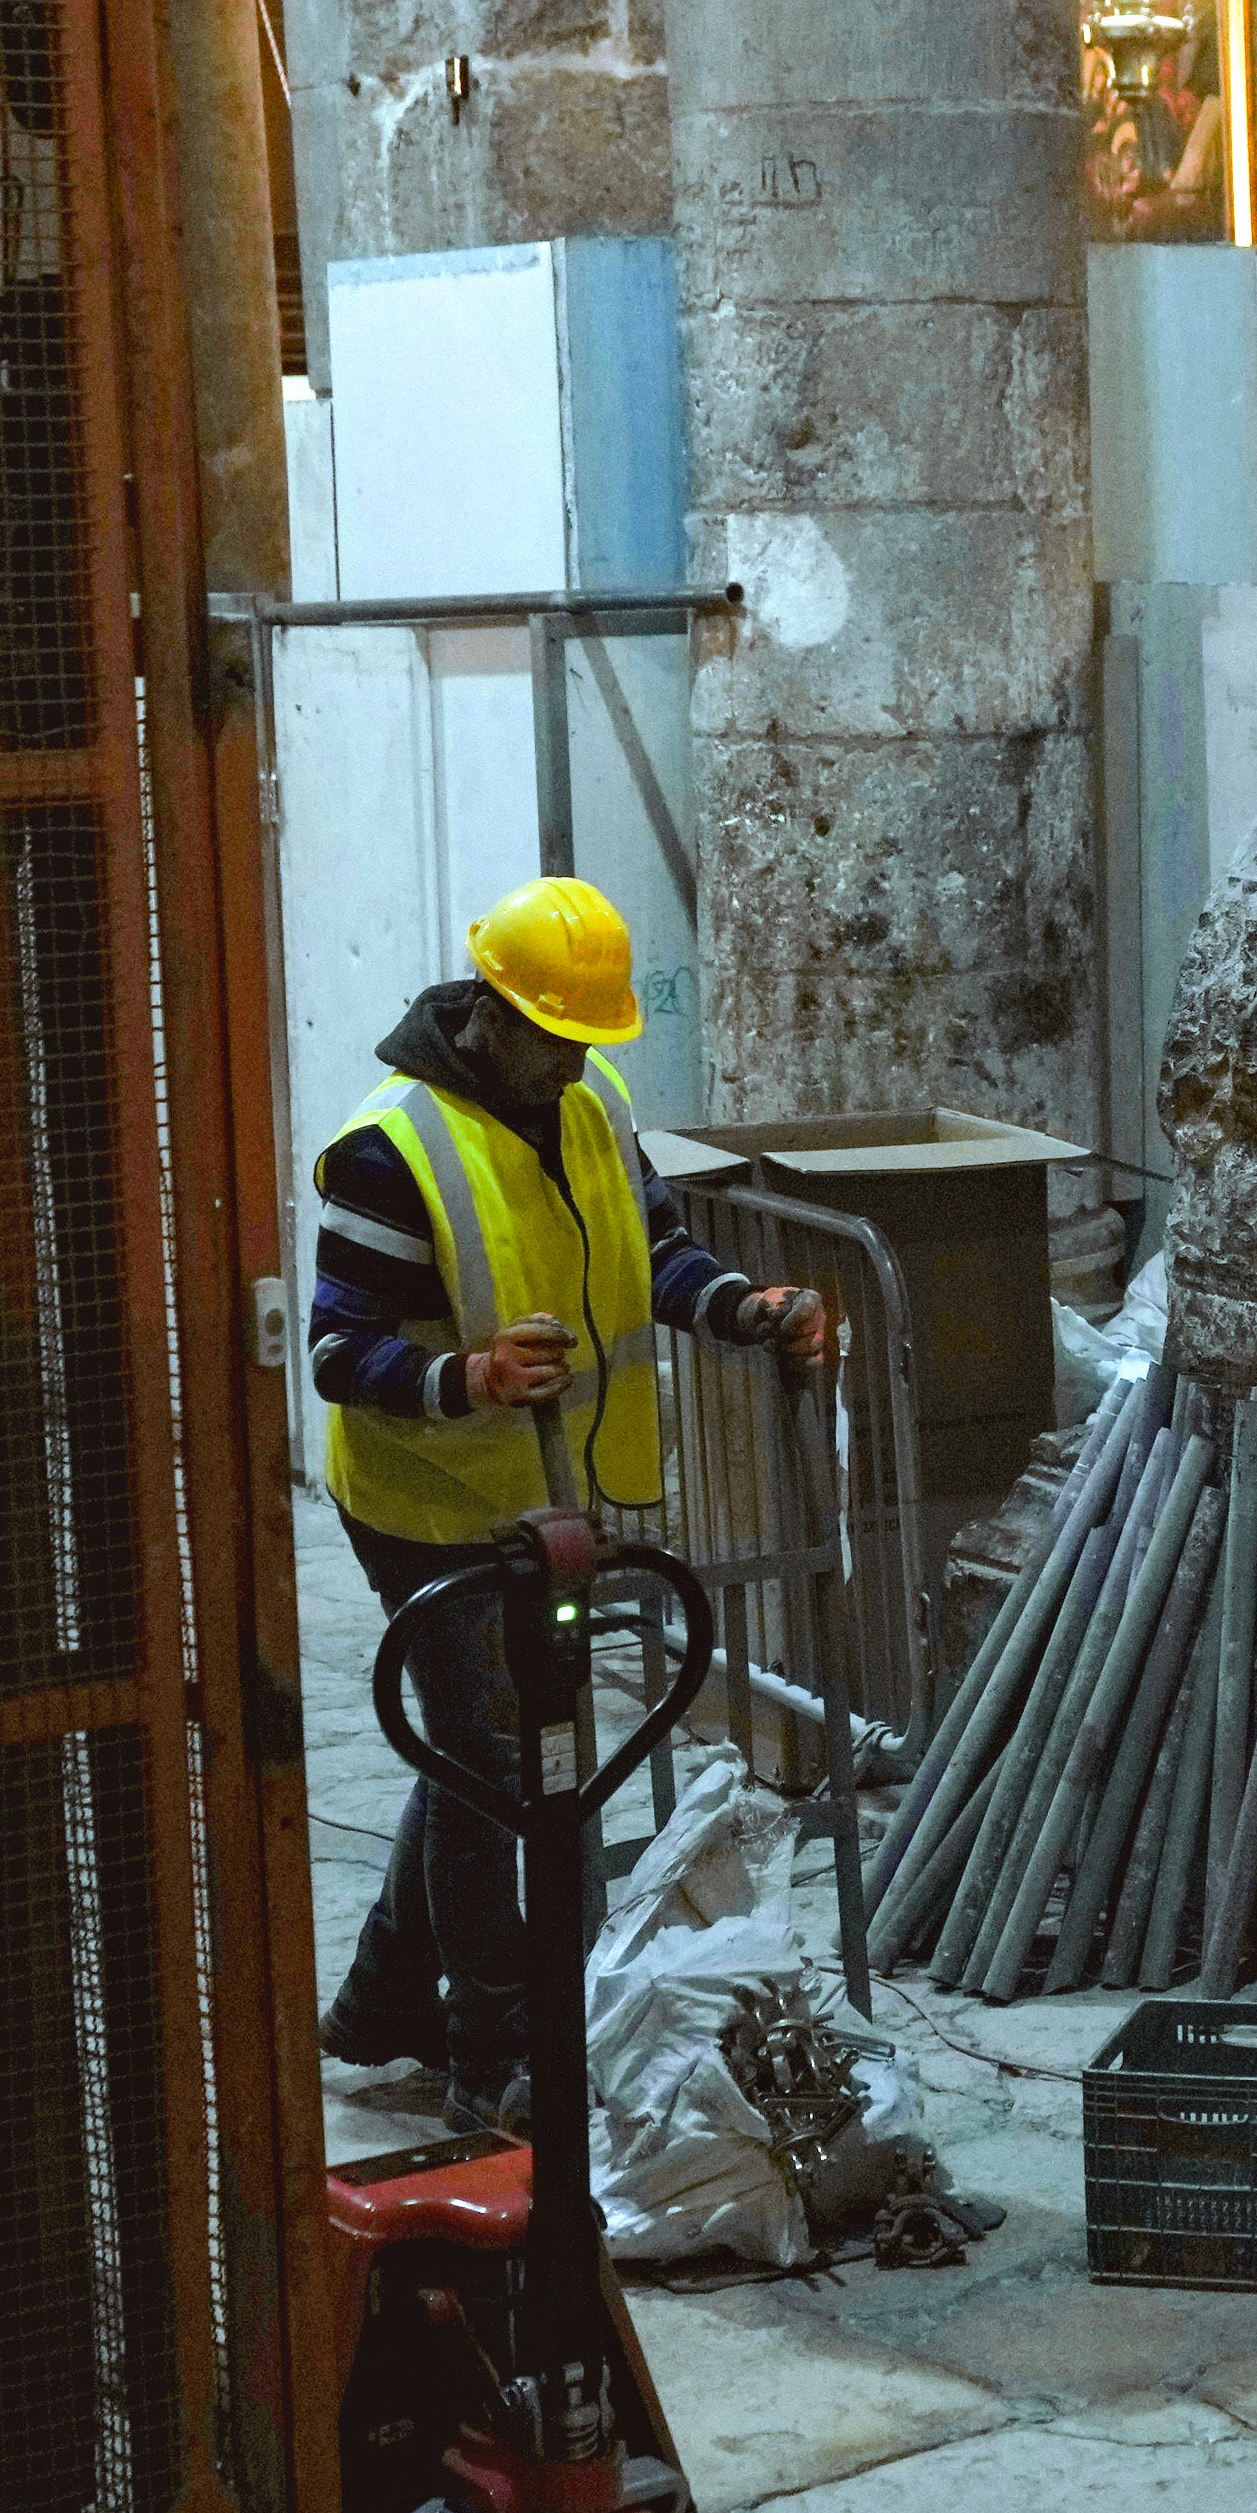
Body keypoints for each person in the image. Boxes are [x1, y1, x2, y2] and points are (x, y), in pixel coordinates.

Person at [306, 875, 837, 2131]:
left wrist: (744, 1310)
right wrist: (470, 1378)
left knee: (476, 1752)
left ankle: (381, 2003)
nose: (568, 1061)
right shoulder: (391, 1149)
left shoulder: (591, 1100)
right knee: (497, 1766)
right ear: (489, 1012)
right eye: (550, 1036)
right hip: (429, 1503)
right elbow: (335, 1352)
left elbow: (653, 1254)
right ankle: (495, 2062)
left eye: (585, 1039)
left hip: (552, 1500)